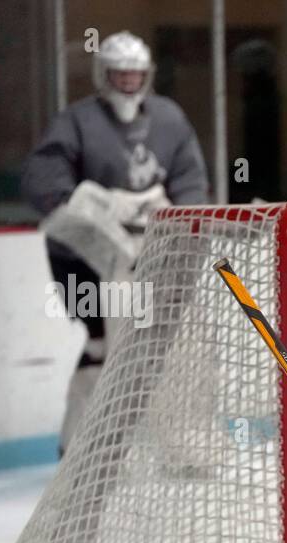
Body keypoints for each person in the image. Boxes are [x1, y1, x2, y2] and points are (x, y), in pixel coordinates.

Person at [21, 30, 209, 452]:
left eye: (135, 74)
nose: (127, 82)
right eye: (119, 75)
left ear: (147, 76)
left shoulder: (169, 119)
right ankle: (81, 448)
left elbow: (191, 183)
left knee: (167, 346)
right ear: (103, 75)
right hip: (80, 259)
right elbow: (43, 180)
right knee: (102, 344)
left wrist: (178, 218)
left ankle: (177, 442)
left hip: (149, 254)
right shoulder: (76, 122)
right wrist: (89, 206)